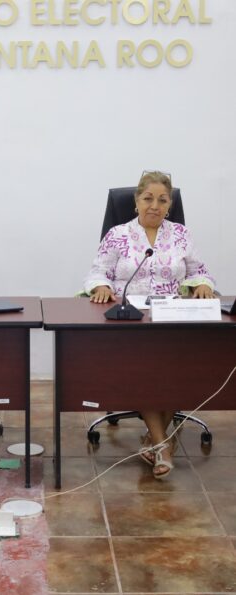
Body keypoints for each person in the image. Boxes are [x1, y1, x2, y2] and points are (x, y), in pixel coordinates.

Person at [84, 171, 215, 479]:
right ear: (136, 201)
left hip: (172, 318)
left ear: (170, 205)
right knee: (146, 370)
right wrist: (101, 286)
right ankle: (163, 445)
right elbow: (97, 272)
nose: (155, 205)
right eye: (148, 198)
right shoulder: (118, 234)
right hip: (130, 322)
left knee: (181, 370)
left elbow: (200, 270)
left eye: (162, 200)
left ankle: (154, 441)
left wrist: (202, 284)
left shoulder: (180, 234)